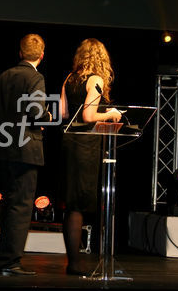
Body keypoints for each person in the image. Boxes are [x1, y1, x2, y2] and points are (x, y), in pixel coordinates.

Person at [60, 38, 121, 275]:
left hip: (69, 142)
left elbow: (64, 112)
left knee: (72, 203)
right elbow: (88, 115)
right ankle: (75, 264)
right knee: (78, 204)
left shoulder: (69, 78)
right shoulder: (95, 79)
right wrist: (111, 114)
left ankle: (73, 261)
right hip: (85, 144)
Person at [0, 34, 52, 276]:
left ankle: (6, 260)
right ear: (41, 55)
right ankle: (10, 263)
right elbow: (37, 113)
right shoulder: (35, 77)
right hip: (26, 149)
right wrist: (48, 117)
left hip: (4, 146)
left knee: (9, 205)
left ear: (20, 53)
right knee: (21, 206)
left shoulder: (4, 76)